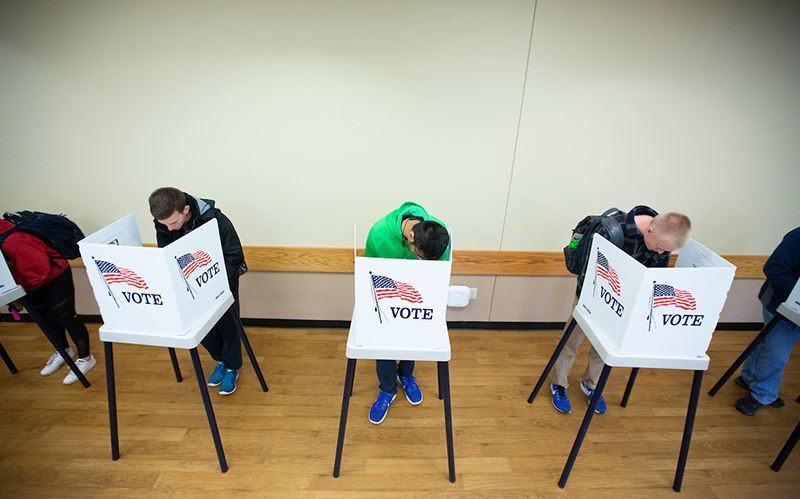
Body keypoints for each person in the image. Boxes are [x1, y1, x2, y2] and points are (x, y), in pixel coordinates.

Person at [551, 206, 692, 414]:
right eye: (660, 248)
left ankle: (591, 384)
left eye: (666, 251)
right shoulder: (611, 232)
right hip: (590, 296)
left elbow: (655, 277)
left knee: (605, 346)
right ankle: (559, 383)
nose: (661, 253)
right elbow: (588, 272)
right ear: (650, 230)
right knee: (572, 340)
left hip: (623, 305)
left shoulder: (663, 240)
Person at [149, 188, 248, 395]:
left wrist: (215, 281)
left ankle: (232, 367)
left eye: (173, 223)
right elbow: (166, 255)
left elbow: (234, 255)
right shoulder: (165, 224)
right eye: (163, 224)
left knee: (228, 325)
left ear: (185, 210)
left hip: (221, 279)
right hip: (189, 284)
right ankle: (220, 360)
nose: (168, 228)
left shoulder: (216, 219)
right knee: (198, 326)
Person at [364, 201, 450, 424]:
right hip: (385, 296)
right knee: (384, 339)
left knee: (414, 332)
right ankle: (388, 388)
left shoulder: (437, 234)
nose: (420, 261)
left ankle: (405, 375)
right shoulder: (379, 234)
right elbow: (368, 276)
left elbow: (436, 275)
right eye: (419, 256)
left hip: (416, 298)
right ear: (411, 237)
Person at [0, 219, 96, 384]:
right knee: (46, 319)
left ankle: (86, 358)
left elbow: (38, 269)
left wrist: (13, 284)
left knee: (66, 317)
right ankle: (64, 351)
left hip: (53, 276)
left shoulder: (13, 241)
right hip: (27, 281)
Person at [734, 226, 800, 416]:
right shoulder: (797, 237)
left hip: (790, 302)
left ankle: (748, 378)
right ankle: (762, 394)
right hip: (780, 303)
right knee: (777, 351)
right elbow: (774, 269)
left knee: (767, 341)